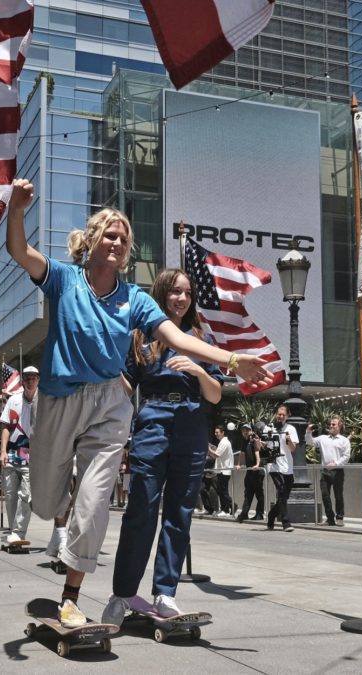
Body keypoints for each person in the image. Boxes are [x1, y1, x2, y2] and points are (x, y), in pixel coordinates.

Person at [5, 178, 272, 628]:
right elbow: (19, 252)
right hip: (59, 399)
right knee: (47, 501)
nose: (117, 243)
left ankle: (71, 595)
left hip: (110, 404)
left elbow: (174, 335)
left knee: (93, 504)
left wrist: (229, 359)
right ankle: (57, 504)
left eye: (124, 240)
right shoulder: (63, 279)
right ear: (90, 241)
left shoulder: (135, 299)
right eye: (110, 235)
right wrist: (16, 209)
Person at [102, 267, 224, 625]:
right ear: (161, 295)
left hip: (191, 426)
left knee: (179, 515)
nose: (181, 298)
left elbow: (216, 396)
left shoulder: (202, 339)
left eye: (187, 292)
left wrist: (200, 371)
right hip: (152, 423)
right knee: (141, 509)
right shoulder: (143, 338)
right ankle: (123, 593)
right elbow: (124, 385)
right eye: (174, 292)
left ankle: (165, 594)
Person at [0, 365, 39, 544]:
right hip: (12, 454)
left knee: (27, 495)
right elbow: (6, 426)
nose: (30, 380)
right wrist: (2, 451)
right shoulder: (14, 400)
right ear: (22, 380)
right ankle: (13, 529)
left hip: (34, 457)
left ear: (38, 380)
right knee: (10, 494)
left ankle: (19, 531)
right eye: (27, 377)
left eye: (33, 377)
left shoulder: (44, 401)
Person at [305, 415, 351, 526]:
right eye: (330, 424)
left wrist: (335, 464)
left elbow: (346, 456)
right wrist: (308, 432)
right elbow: (310, 442)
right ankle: (330, 519)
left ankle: (339, 517)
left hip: (337, 471)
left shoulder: (344, 441)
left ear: (339, 426)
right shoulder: (323, 438)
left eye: (333, 424)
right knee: (325, 495)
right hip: (325, 471)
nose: (331, 426)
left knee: (338, 495)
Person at [266, 405, 298, 533]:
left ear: (287, 416)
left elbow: (292, 448)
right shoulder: (270, 428)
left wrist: (289, 439)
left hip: (287, 466)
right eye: (278, 414)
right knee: (281, 490)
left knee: (285, 494)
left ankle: (272, 515)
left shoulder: (290, 429)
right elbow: (263, 446)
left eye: (283, 414)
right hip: (274, 465)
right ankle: (285, 522)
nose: (280, 416)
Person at [235, 423, 265, 522]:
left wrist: (257, 464)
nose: (245, 432)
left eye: (247, 430)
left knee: (259, 493)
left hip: (257, 471)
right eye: (243, 430)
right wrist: (239, 464)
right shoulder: (245, 441)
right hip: (250, 470)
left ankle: (259, 514)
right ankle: (244, 514)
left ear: (251, 430)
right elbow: (242, 453)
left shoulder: (254, 439)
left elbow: (257, 451)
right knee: (248, 493)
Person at [212, 425, 234, 517]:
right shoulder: (222, 442)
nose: (216, 434)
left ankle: (226, 510)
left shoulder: (224, 442)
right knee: (221, 491)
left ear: (222, 432)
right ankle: (229, 507)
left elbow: (217, 454)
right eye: (215, 432)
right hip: (221, 470)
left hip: (225, 470)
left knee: (222, 491)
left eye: (217, 432)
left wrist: (208, 449)